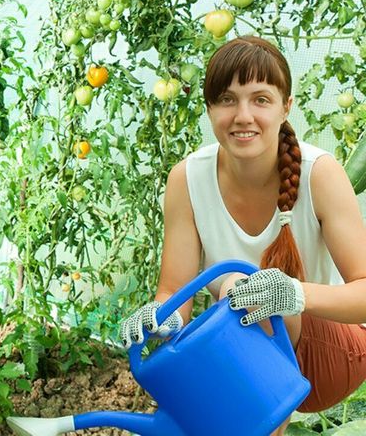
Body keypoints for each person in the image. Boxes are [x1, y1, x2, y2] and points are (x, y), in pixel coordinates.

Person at [118, 36, 366, 436]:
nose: (243, 116)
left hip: (333, 354)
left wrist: (294, 294)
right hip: (253, 356)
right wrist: (159, 319)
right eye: (227, 99)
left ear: (287, 107)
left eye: (261, 100)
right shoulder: (187, 179)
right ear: (210, 108)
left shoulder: (320, 173)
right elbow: (173, 291)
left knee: (240, 287)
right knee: (232, 303)